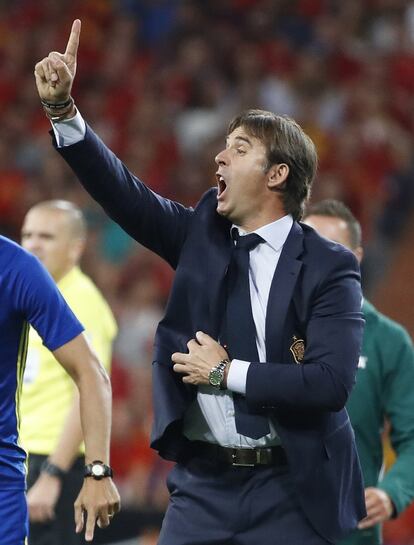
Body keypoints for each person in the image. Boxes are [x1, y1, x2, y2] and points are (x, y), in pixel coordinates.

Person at [34, 19, 366, 545]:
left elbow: (330, 383)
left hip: (292, 488)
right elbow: (124, 193)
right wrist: (63, 112)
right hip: (204, 487)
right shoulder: (200, 235)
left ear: (276, 174)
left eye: (238, 148)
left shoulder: (330, 267)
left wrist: (227, 373)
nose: (219, 156)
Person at [303, 199, 414, 545]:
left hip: (352, 535)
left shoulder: (388, 340)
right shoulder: (266, 329)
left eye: (332, 249)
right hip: (269, 527)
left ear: (357, 257)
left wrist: (392, 492)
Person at [0, 234, 120, 545]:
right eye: (31, 234)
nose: (36, 242)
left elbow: (91, 372)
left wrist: (97, 471)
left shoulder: (14, 267)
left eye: (47, 236)